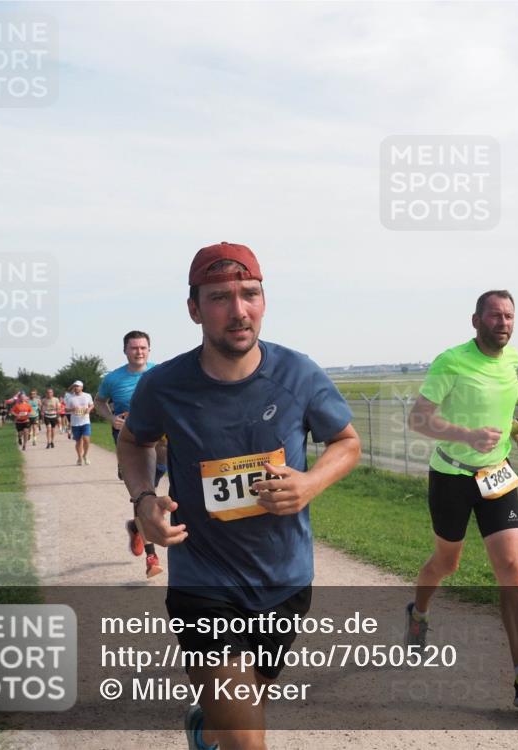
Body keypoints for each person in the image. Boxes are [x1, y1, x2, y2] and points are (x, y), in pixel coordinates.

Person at [118, 241, 360, 750]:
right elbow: (134, 441)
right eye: (219, 298)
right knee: (249, 741)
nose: (238, 310)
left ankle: (205, 725)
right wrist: (144, 501)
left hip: (285, 579)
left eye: (249, 294)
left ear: (264, 300)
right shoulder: (163, 385)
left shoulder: (299, 373)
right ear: (194, 309)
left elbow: (346, 442)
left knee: (248, 705)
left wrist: (311, 482)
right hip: (203, 584)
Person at [404, 290, 518, 708]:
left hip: (497, 476)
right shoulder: (451, 361)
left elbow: (494, 411)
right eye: (494, 316)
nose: (503, 323)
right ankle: (418, 613)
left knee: (512, 566)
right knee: (446, 562)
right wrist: (466, 436)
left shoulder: (512, 360)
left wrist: (515, 429)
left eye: (509, 316)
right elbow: (418, 418)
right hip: (452, 475)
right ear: (476, 321)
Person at [96, 329, 168, 578]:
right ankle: (152, 557)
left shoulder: (161, 373)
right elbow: (99, 402)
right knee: (144, 494)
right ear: (125, 350)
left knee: (158, 490)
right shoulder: (113, 379)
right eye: (134, 347)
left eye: (143, 347)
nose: (139, 351)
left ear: (149, 350)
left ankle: (136, 527)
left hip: (162, 442)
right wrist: (110, 418)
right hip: (131, 442)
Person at [64, 380, 94, 466]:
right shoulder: (70, 398)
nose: (76, 388)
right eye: (75, 386)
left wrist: (89, 409)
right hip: (75, 422)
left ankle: (85, 455)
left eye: (78, 386)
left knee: (86, 439)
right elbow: (66, 409)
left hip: (85, 421)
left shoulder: (87, 395)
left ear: (82, 387)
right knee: (78, 441)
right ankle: (79, 457)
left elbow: (92, 405)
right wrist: (72, 409)